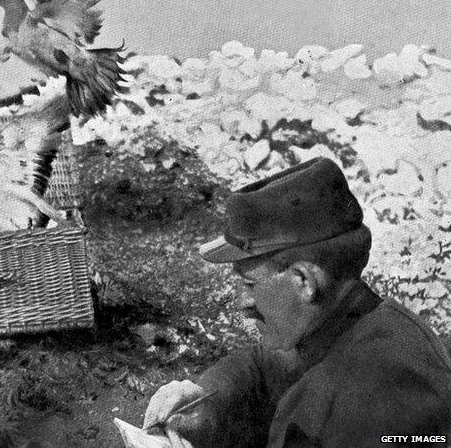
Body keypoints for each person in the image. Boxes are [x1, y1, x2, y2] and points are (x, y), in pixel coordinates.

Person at [143, 157, 451, 447]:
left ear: (304, 281)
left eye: (251, 285)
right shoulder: (332, 327)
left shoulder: (386, 396)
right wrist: (207, 404)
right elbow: (263, 365)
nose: (242, 302)